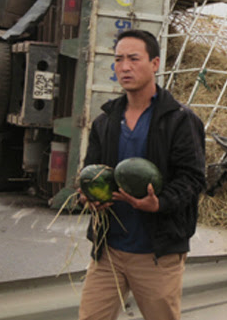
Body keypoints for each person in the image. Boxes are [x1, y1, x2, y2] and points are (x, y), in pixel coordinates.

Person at [78, 29, 206, 320]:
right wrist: (88, 197)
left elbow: (194, 178)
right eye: (119, 59)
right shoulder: (105, 122)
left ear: (155, 64)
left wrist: (159, 203)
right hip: (108, 250)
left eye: (134, 58)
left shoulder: (180, 121)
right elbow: (90, 173)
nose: (125, 66)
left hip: (157, 253)